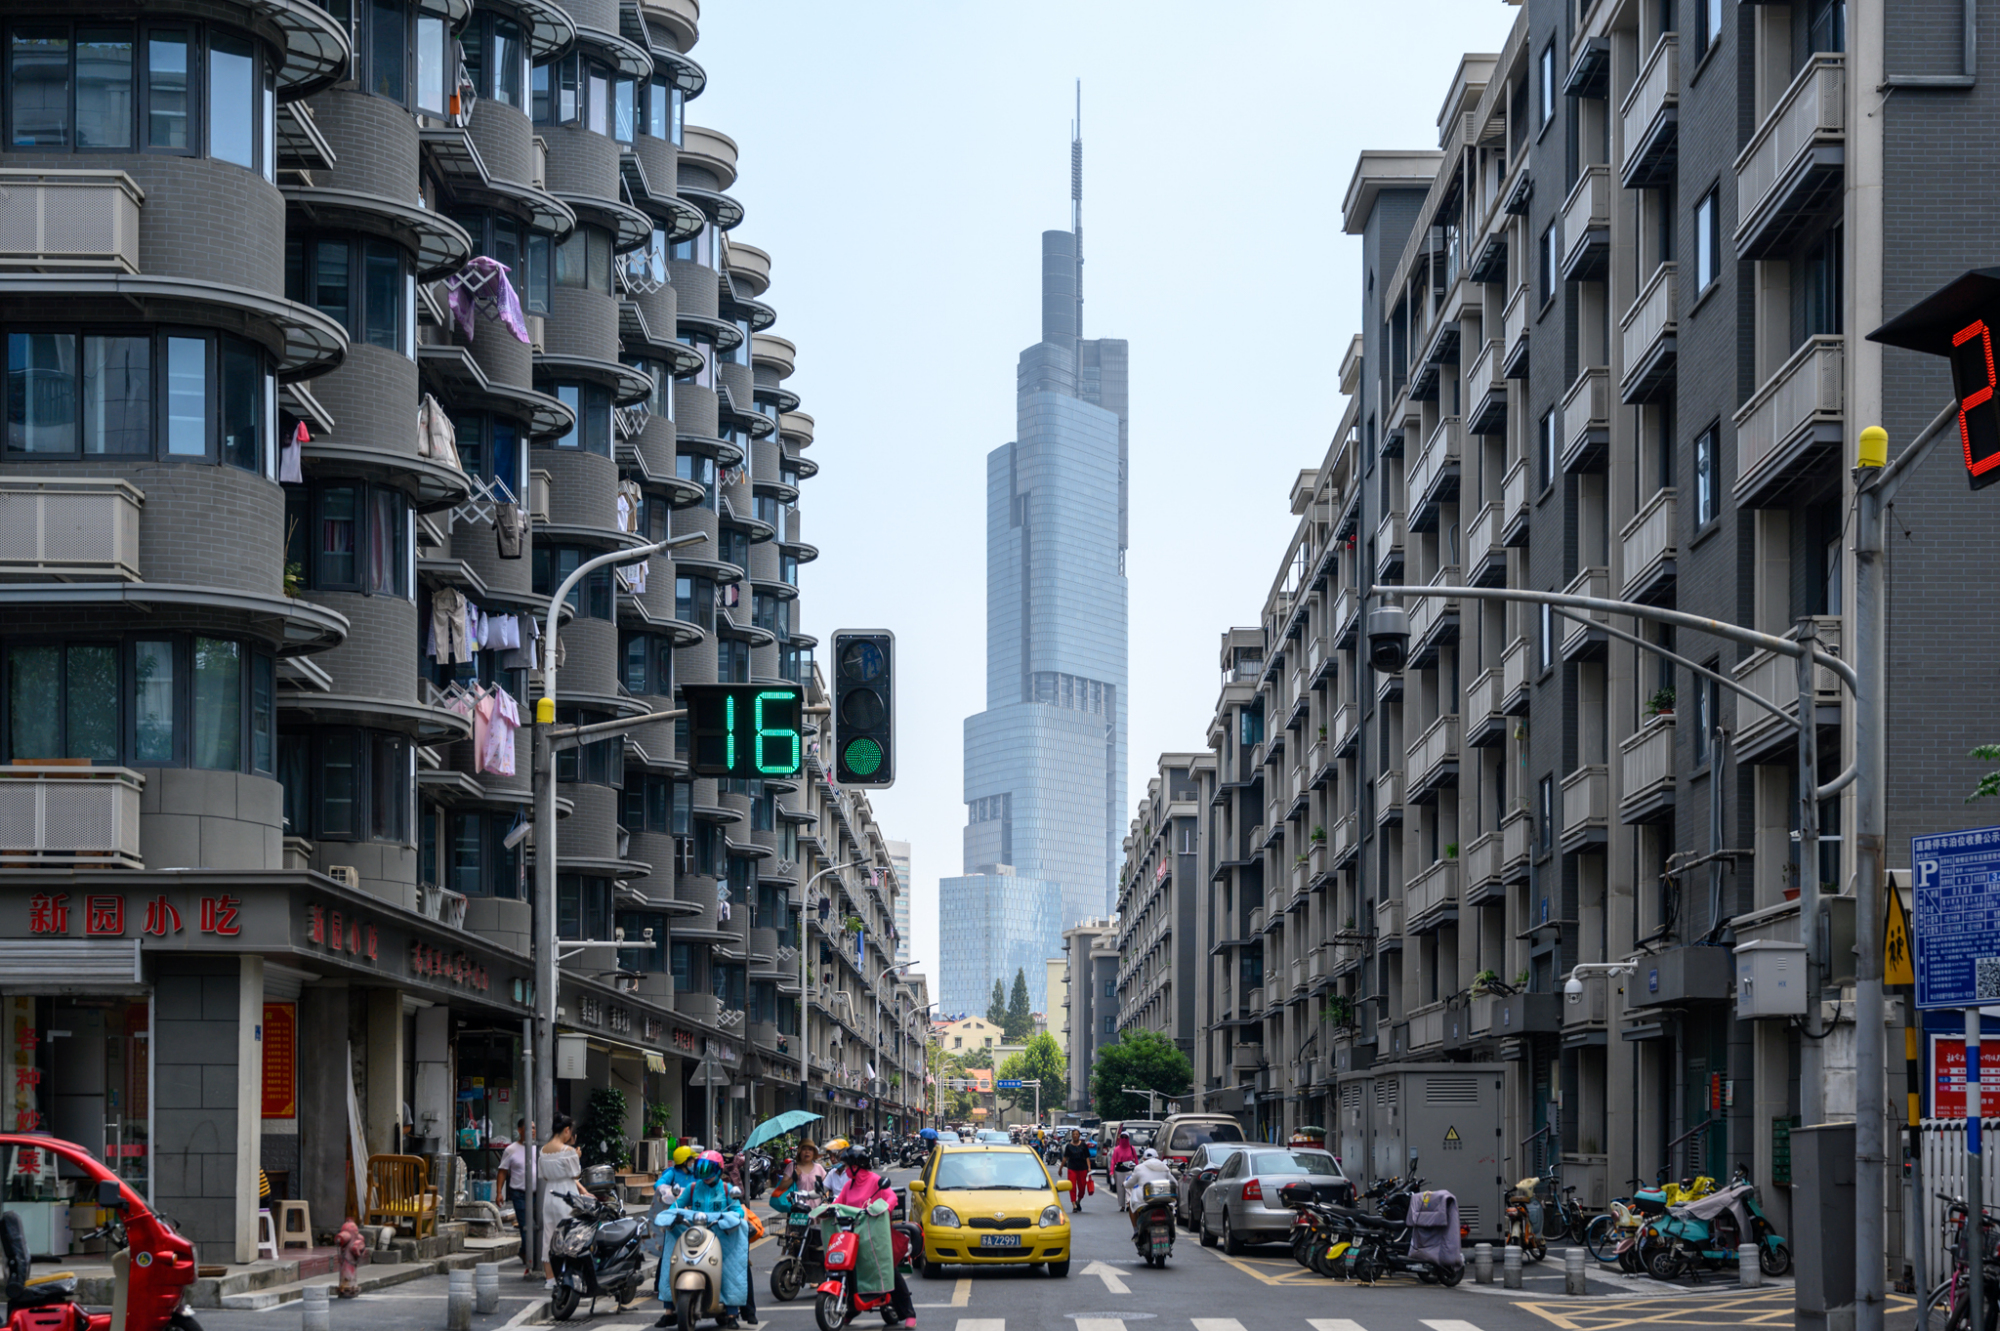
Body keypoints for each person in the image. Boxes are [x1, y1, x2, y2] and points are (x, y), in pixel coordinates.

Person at [655, 1152, 748, 1329]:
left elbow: (738, 1211)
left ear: (719, 1171)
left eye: (709, 1170)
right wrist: (671, 1215)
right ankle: (669, 1310)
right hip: (694, 1235)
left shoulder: (727, 1189)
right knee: (670, 1260)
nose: (705, 1175)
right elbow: (676, 1206)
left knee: (731, 1266)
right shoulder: (692, 1188)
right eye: (701, 1170)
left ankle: (731, 1313)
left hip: (719, 1236)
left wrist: (727, 1218)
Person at [831, 1146, 914, 1329]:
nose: (844, 1169)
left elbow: (891, 1198)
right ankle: (851, 1309)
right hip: (852, 1238)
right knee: (848, 1270)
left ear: (856, 1165)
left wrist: (879, 1209)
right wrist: (827, 1209)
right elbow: (838, 1204)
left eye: (846, 1165)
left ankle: (909, 1311)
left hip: (874, 1236)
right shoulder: (848, 1185)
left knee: (888, 1270)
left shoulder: (876, 1181)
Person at [538, 1114, 582, 1285]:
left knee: (548, 1236)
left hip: (549, 1195)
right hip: (567, 1195)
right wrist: (577, 1157)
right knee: (570, 1235)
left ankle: (550, 1279)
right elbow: (575, 1174)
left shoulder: (543, 1151)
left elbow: (544, 1177)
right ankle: (570, 1276)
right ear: (566, 1130)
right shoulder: (568, 1152)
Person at [497, 1118, 537, 1278]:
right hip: (519, 1193)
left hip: (537, 1193)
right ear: (520, 1130)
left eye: (534, 1128)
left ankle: (524, 1251)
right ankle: (531, 1257)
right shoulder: (511, 1150)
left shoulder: (539, 1148)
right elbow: (502, 1171)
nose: (532, 1131)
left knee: (535, 1225)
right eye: (529, 1128)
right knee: (525, 1225)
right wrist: (499, 1192)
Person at [1120, 1148, 1173, 1214]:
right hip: (1163, 1199)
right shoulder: (1164, 1167)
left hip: (1144, 1200)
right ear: (1157, 1157)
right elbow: (1175, 1183)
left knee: (1131, 1206)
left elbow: (1130, 1183)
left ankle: (1135, 1225)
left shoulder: (1139, 1168)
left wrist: (1124, 1184)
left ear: (1144, 1159)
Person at [1060, 1131, 1092, 1213]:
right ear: (1072, 1136)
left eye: (1076, 1134)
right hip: (1072, 1169)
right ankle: (1074, 1204)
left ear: (1079, 1136)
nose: (1075, 1136)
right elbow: (1065, 1158)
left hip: (1082, 1169)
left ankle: (1078, 1201)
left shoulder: (1083, 1145)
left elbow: (1087, 1157)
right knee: (1072, 1187)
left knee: (1082, 1188)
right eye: (1073, 1134)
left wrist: (1089, 1167)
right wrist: (1060, 1168)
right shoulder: (1069, 1146)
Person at [1107, 1132, 1138, 1212]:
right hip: (1119, 1171)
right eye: (1122, 1137)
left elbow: (1136, 1159)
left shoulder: (1132, 1148)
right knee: (1120, 1189)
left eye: (1125, 1137)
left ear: (1128, 1138)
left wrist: (1137, 1169)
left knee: (1129, 1188)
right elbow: (1113, 1161)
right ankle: (1122, 1205)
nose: (1124, 1139)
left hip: (1129, 1170)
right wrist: (1111, 1172)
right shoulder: (1117, 1149)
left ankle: (1128, 1203)